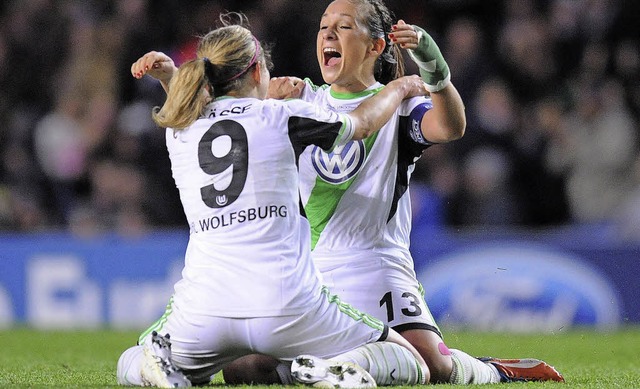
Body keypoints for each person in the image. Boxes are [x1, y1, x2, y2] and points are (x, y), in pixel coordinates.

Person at [136, 2, 564, 384]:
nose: (328, 34)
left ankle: (494, 370)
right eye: (324, 26)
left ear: (376, 46)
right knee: (245, 370)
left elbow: (451, 127)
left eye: (343, 27)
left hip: (375, 264)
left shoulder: (398, 105)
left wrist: (435, 73)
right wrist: (176, 79)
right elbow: (224, 109)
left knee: (433, 366)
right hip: (308, 270)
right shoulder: (297, 100)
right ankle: (333, 370)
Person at [117, 13, 433, 388]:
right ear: (255, 73)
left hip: (205, 311)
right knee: (410, 362)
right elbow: (362, 124)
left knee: (133, 357)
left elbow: (200, 112)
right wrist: (399, 88)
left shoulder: (180, 128)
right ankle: (330, 368)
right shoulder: (283, 116)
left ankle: (157, 373)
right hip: (287, 307)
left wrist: (171, 78)